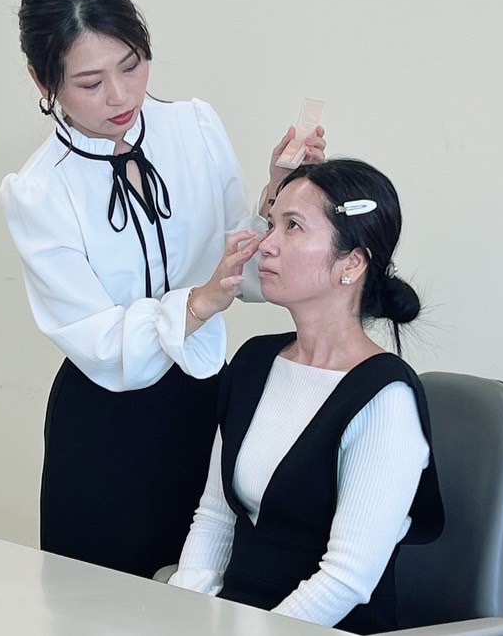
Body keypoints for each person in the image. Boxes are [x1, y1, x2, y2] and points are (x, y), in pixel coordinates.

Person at [0, 0, 326, 578]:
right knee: (95, 604)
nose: (120, 96)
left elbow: (242, 274)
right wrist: (196, 304)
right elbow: (98, 339)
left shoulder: (194, 129)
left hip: (206, 402)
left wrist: (277, 196)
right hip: (105, 423)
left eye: (131, 66)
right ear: (44, 82)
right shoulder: (38, 191)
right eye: (90, 82)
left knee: (206, 589)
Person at [168, 158, 444, 634]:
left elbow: (346, 579)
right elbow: (214, 517)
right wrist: (183, 617)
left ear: (351, 263)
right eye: (272, 223)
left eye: (292, 226)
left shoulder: (384, 398)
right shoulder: (254, 363)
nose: (266, 244)